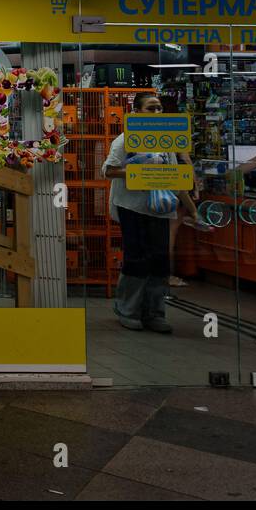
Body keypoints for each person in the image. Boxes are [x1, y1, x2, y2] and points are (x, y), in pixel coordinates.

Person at [102, 94, 203, 333]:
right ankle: (128, 310)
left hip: (161, 210)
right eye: (151, 108)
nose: (157, 113)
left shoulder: (167, 143)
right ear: (136, 112)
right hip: (132, 207)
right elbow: (109, 170)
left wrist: (192, 210)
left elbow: (176, 180)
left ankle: (154, 313)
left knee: (159, 261)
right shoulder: (125, 140)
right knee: (137, 259)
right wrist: (138, 172)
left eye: (159, 109)